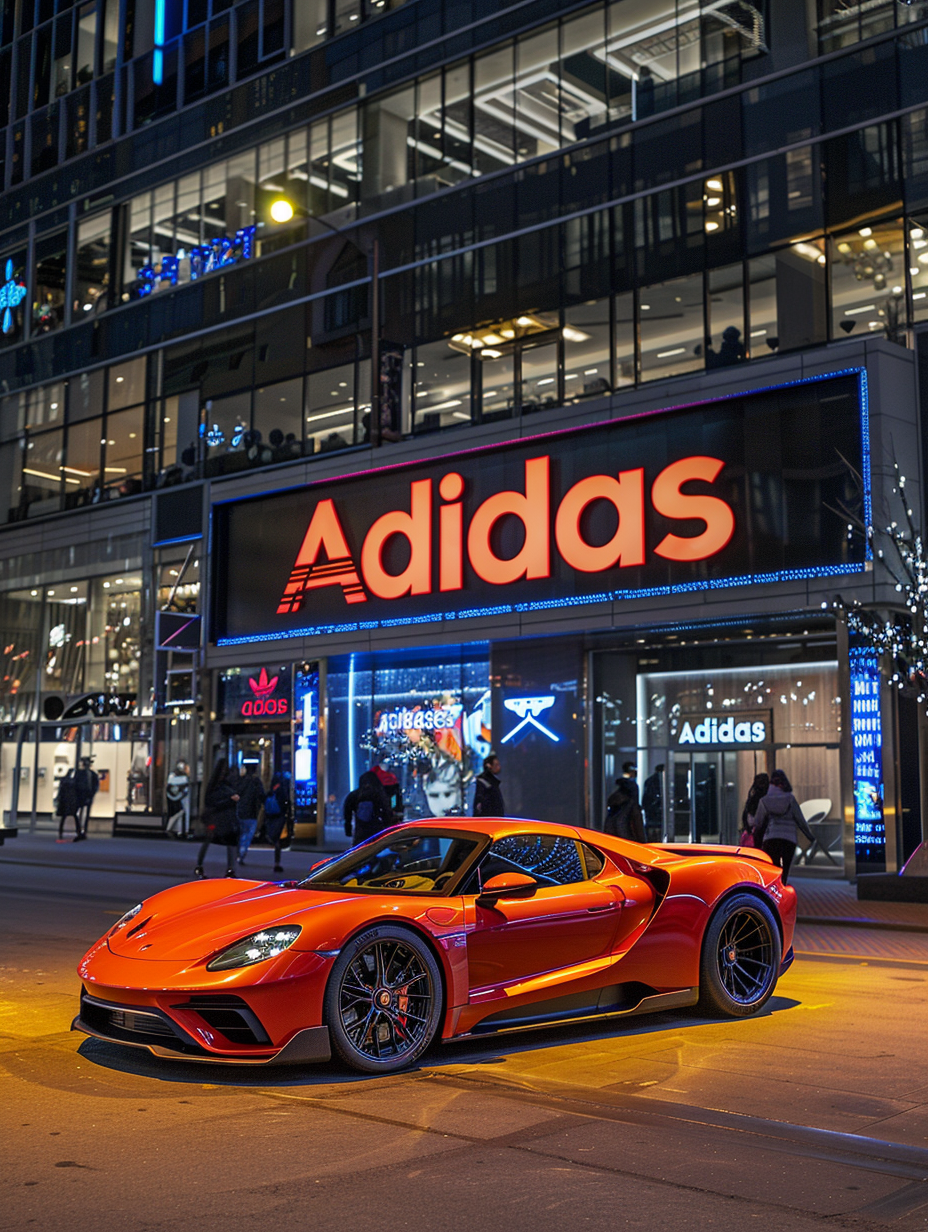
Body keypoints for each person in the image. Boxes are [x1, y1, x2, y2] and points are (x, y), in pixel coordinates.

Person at [752, 768, 814, 885]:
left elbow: (758, 823)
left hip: (771, 839)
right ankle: (783, 886)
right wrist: (809, 835)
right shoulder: (790, 799)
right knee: (785, 871)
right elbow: (800, 820)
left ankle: (775, 894)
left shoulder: (764, 801)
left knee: (774, 869)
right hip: (789, 839)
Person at [194, 758, 241, 879]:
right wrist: (230, 800)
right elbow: (213, 801)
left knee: (211, 841)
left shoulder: (216, 784)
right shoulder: (225, 786)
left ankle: (200, 866)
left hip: (218, 818)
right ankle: (230, 869)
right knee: (229, 843)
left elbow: (210, 800)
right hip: (222, 818)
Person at [343, 770, 393, 846]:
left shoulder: (354, 795)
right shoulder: (379, 794)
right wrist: (387, 824)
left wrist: (348, 828)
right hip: (376, 829)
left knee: (359, 849)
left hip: (360, 830)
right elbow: (386, 810)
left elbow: (347, 812)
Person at [235, 762, 266, 865]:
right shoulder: (256, 782)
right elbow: (262, 796)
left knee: (241, 833)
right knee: (248, 834)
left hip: (240, 811)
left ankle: (238, 853)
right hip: (252, 812)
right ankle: (241, 854)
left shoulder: (241, 781)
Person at [265, 770, 292, 875]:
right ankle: (277, 862)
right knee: (278, 839)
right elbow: (285, 803)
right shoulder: (282, 790)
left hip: (271, 816)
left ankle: (272, 841)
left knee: (274, 836)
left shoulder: (271, 791)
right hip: (279, 816)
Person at [604, 777, 646, 842]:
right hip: (628, 846)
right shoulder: (632, 808)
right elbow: (639, 832)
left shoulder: (613, 808)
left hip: (611, 845)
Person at [740, 772, 770, 846]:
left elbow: (746, 817)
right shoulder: (769, 799)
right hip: (768, 835)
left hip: (755, 834)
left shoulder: (752, 799)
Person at [73, 756, 99, 840]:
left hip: (88, 795)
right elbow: (75, 784)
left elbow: (95, 785)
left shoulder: (92, 774)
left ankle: (84, 831)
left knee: (86, 814)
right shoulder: (79, 774)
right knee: (78, 813)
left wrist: (91, 794)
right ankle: (79, 830)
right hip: (80, 796)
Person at [165, 761, 191, 837]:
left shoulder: (172, 776)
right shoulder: (184, 778)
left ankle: (177, 830)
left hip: (174, 798)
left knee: (178, 812)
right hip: (179, 798)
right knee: (181, 812)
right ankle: (179, 830)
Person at [55, 769, 80, 842]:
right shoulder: (74, 781)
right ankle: (78, 832)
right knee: (74, 817)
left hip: (66, 801)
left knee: (64, 817)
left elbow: (60, 791)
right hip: (71, 800)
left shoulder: (64, 780)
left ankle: (61, 832)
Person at [642, 763, 664, 842]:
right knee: (657, 827)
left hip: (651, 809)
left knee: (652, 828)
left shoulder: (649, 781)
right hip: (655, 809)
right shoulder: (657, 781)